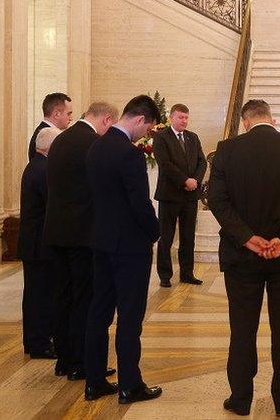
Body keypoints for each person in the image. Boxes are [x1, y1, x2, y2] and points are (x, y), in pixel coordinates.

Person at [208, 99, 280, 417]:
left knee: (242, 328)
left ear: (245, 121)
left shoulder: (227, 150)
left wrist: (247, 238)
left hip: (241, 256)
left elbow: (217, 200)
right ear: (273, 119)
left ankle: (240, 398)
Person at [84, 96, 164, 404]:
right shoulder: (128, 154)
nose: (145, 136)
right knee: (130, 317)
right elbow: (140, 204)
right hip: (130, 247)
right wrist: (155, 232)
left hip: (100, 241)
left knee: (99, 312)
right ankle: (131, 385)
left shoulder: (96, 147)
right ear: (141, 119)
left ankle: (93, 382)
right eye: (148, 129)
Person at [44, 102, 118, 381]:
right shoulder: (92, 144)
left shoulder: (61, 139)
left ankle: (63, 359)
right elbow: (100, 191)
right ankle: (81, 362)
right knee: (84, 299)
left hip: (57, 232)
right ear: (107, 120)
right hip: (83, 235)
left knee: (63, 296)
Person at [18, 126, 62, 359]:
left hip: (36, 244)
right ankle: (38, 343)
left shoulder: (37, 165)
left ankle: (39, 340)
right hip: (39, 245)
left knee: (39, 294)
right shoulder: (43, 170)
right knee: (39, 297)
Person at [153, 103, 207, 287]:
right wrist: (185, 180)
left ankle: (187, 273)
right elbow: (165, 164)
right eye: (180, 117)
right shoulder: (161, 137)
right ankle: (165, 275)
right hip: (170, 194)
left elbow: (202, 161)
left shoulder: (193, 137)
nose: (184, 121)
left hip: (190, 196)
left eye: (186, 117)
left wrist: (196, 181)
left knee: (188, 236)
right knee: (166, 236)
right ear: (171, 118)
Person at [29, 92, 72, 160]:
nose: (71, 118)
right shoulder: (46, 136)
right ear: (57, 114)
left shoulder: (41, 132)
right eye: (68, 114)